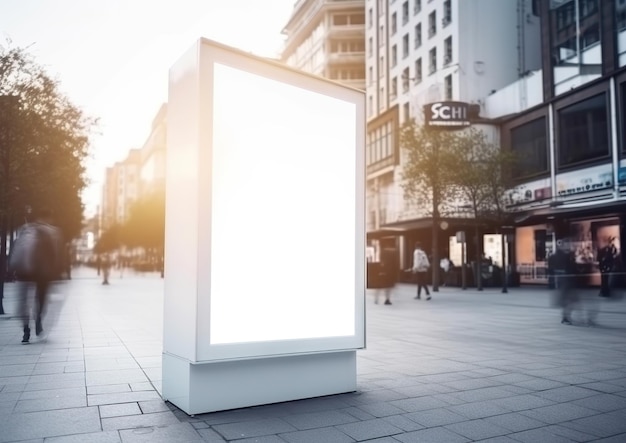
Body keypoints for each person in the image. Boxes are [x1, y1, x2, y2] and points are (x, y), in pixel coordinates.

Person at [9, 208, 63, 344]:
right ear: (49, 218)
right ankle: (38, 319)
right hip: (42, 273)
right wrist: (56, 271)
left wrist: (13, 266)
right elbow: (56, 255)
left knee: (22, 301)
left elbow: (16, 249)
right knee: (41, 298)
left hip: (23, 271)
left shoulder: (25, 229)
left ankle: (26, 329)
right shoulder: (53, 232)